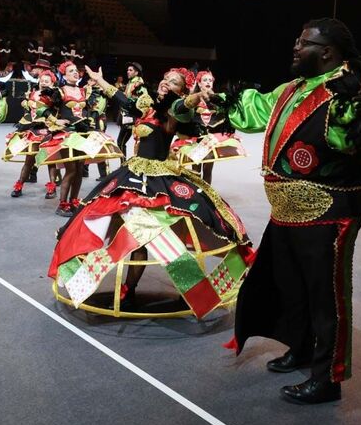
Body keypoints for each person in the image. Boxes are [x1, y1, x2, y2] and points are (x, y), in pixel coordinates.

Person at [226, 18, 361, 405]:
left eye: (302, 43)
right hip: (285, 209)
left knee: (327, 297)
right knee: (293, 288)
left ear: (327, 53)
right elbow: (249, 112)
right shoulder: (292, 88)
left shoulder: (347, 87)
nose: (294, 48)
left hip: (329, 210)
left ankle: (327, 378)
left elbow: (354, 129)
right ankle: (301, 349)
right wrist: (209, 100)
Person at [49, 65, 253, 317]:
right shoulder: (147, 105)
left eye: (175, 82)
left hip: (159, 181)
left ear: (181, 90)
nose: (167, 82)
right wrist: (100, 80)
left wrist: (195, 96)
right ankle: (105, 282)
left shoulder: (174, 112)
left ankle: (147, 289)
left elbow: (182, 107)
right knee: (112, 223)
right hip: (132, 174)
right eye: (166, 78)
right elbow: (123, 99)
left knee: (146, 236)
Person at [36, 61, 120, 217]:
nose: (76, 73)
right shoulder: (59, 91)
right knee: (71, 170)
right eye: (71, 71)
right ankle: (62, 204)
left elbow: (94, 108)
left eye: (76, 71)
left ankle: (74, 201)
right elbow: (41, 107)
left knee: (80, 170)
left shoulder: (84, 92)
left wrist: (91, 118)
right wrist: (56, 121)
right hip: (67, 134)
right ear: (64, 75)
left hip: (83, 134)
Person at [170, 70, 245, 184]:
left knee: (208, 170)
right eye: (205, 80)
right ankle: (198, 193)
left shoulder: (218, 99)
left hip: (211, 139)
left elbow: (226, 115)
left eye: (210, 80)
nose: (208, 82)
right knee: (195, 169)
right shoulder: (192, 99)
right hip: (195, 139)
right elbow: (185, 117)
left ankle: (207, 195)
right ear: (199, 83)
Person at [6, 67, 60, 199]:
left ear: (52, 83)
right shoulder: (32, 93)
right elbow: (29, 109)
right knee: (29, 159)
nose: (44, 82)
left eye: (47, 81)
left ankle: (52, 187)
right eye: (42, 80)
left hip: (47, 128)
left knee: (50, 159)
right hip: (33, 129)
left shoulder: (54, 95)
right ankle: (19, 185)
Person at [116, 62, 144, 158]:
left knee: (123, 142)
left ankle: (125, 167)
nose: (128, 72)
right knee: (123, 143)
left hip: (133, 118)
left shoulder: (138, 84)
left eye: (130, 70)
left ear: (136, 73)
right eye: (127, 70)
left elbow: (139, 102)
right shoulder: (131, 82)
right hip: (128, 116)